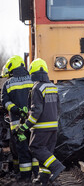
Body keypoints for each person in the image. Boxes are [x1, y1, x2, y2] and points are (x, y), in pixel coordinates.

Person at [17, 58, 65, 185]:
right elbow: (59, 108)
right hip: (53, 126)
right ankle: (43, 178)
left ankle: (56, 166)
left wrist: (25, 126)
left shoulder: (37, 87)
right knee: (47, 152)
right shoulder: (53, 87)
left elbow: (36, 111)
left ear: (33, 71)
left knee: (35, 147)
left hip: (41, 127)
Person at [1, 55, 39, 183]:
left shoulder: (8, 83)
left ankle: (25, 178)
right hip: (34, 123)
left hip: (17, 125)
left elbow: (5, 102)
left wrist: (16, 110)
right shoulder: (33, 80)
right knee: (35, 148)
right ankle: (38, 176)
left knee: (22, 150)